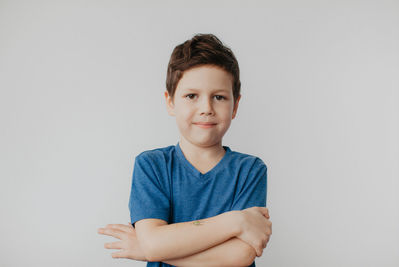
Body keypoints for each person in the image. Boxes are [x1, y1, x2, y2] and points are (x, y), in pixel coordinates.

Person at [98, 33, 272, 267]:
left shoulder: (250, 169)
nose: (206, 108)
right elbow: (154, 243)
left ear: (235, 105)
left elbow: (239, 255)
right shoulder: (151, 165)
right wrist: (235, 222)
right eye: (192, 96)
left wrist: (152, 251)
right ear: (170, 102)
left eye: (219, 97)